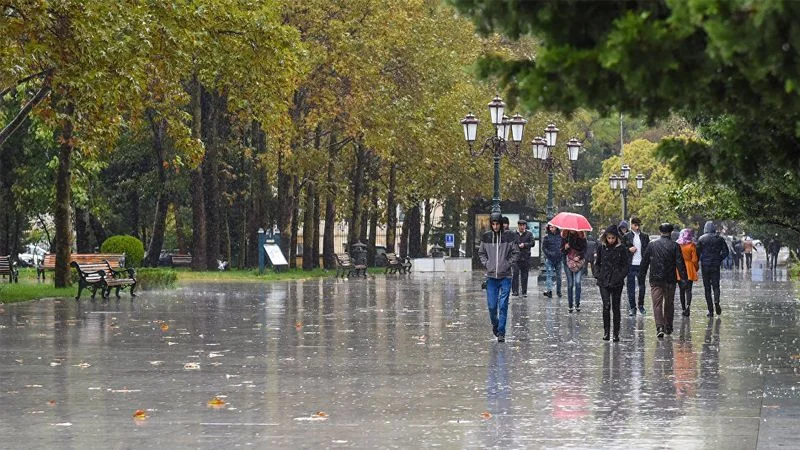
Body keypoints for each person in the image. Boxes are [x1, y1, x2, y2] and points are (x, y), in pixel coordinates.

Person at [640, 223, 688, 338]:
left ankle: (659, 327)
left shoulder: (652, 245)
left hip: (655, 278)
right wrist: (684, 279)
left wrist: (641, 276)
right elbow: (680, 263)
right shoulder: (675, 246)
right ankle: (668, 326)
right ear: (671, 232)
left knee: (657, 304)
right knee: (669, 303)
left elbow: (644, 262)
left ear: (660, 231)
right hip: (670, 279)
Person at [478, 212, 519, 343]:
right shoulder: (486, 237)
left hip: (505, 276)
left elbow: (515, 252)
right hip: (491, 277)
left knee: (503, 305)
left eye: (497, 224)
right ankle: (495, 324)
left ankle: (501, 332)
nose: (495, 226)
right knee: (491, 306)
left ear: (501, 224)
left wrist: (508, 264)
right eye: (493, 224)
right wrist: (487, 264)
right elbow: (481, 253)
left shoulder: (509, 237)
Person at [594, 224, 630, 342]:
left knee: (616, 307)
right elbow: (597, 263)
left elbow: (625, 266)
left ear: (616, 238)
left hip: (616, 281)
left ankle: (616, 333)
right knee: (606, 305)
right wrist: (598, 275)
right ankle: (606, 331)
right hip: (603, 280)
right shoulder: (601, 247)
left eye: (613, 238)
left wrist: (619, 276)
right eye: (608, 238)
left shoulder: (622, 249)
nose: (610, 240)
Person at [696, 221, 728, 317]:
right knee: (716, 286)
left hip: (705, 265)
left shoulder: (701, 239)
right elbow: (726, 252)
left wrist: (697, 263)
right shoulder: (720, 239)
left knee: (707, 288)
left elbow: (697, 253)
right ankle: (716, 301)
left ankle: (710, 311)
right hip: (715, 265)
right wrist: (719, 259)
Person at [623, 216, 650, 316]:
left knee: (642, 286)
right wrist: (628, 249)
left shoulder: (645, 236)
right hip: (630, 264)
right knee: (630, 286)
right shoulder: (626, 236)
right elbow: (622, 249)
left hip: (641, 264)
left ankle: (641, 305)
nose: (636, 227)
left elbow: (648, 250)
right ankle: (632, 307)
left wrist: (647, 261)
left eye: (638, 225)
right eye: (634, 225)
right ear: (631, 225)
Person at [562, 229, 587, 312]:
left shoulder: (581, 236)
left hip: (579, 262)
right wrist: (565, 247)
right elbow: (561, 250)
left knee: (577, 282)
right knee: (570, 284)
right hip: (568, 262)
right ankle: (570, 305)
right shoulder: (565, 236)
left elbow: (584, 250)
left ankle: (577, 304)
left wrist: (579, 256)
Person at [676, 228, 699, 317]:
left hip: (679, 269)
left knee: (681, 290)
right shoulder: (692, 245)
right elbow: (694, 259)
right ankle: (688, 307)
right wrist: (695, 268)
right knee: (689, 290)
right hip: (689, 268)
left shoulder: (677, 245)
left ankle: (683, 308)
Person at [511, 219, 535, 297]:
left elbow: (532, 243)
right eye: (520, 225)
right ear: (518, 226)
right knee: (515, 274)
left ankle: (524, 291)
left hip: (525, 257)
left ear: (525, 226)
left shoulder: (529, 234)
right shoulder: (514, 234)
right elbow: (511, 243)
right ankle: (515, 291)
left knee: (524, 275)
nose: (522, 227)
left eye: (523, 225)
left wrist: (524, 245)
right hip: (516, 257)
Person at [541, 224, 563, 298]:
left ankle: (559, 291)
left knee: (559, 276)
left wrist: (561, 253)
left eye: (552, 227)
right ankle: (549, 291)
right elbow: (544, 248)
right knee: (549, 275)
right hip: (550, 259)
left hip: (559, 259)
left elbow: (563, 246)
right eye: (550, 227)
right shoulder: (547, 237)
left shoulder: (560, 236)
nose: (551, 228)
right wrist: (549, 254)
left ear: (556, 227)